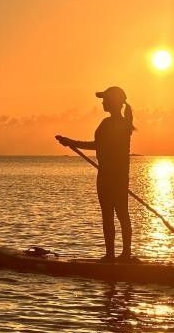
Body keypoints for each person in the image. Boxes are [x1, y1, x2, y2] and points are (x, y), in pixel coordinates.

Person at [56, 86, 136, 262]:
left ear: (113, 102)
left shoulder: (109, 124)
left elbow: (97, 146)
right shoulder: (125, 124)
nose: (102, 102)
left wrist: (71, 142)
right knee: (123, 214)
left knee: (109, 215)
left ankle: (111, 256)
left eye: (105, 99)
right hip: (120, 177)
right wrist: (71, 142)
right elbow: (102, 146)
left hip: (108, 177)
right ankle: (125, 255)